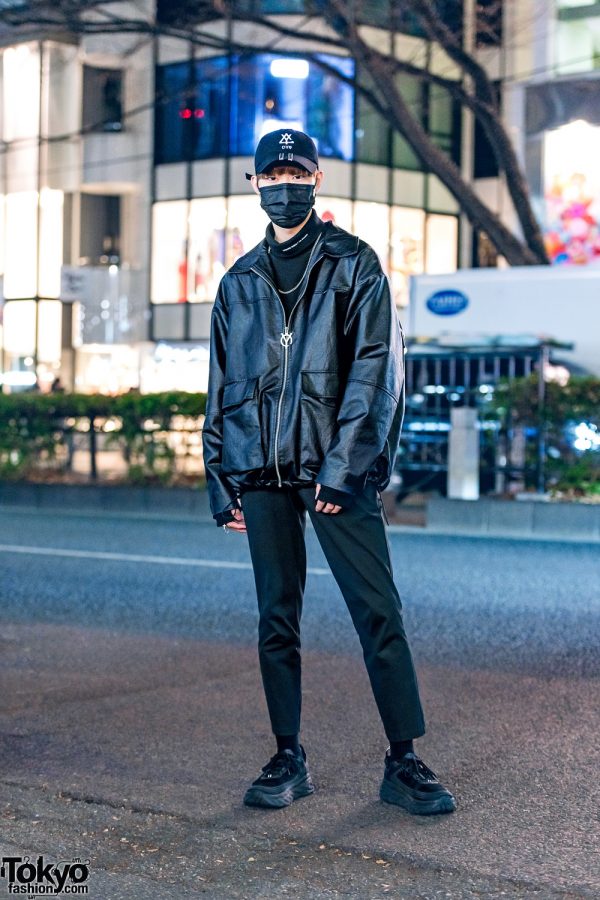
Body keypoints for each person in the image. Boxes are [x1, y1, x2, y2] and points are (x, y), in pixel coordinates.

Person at [202, 129, 456, 816]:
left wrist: (345, 471)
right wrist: (218, 475)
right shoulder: (239, 282)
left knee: (378, 611)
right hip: (260, 474)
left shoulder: (354, 264)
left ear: (316, 179)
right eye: (273, 173)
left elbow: (377, 371)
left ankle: (404, 760)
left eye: (296, 171)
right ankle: (288, 755)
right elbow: (221, 384)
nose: (285, 183)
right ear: (254, 184)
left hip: (332, 473)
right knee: (274, 619)